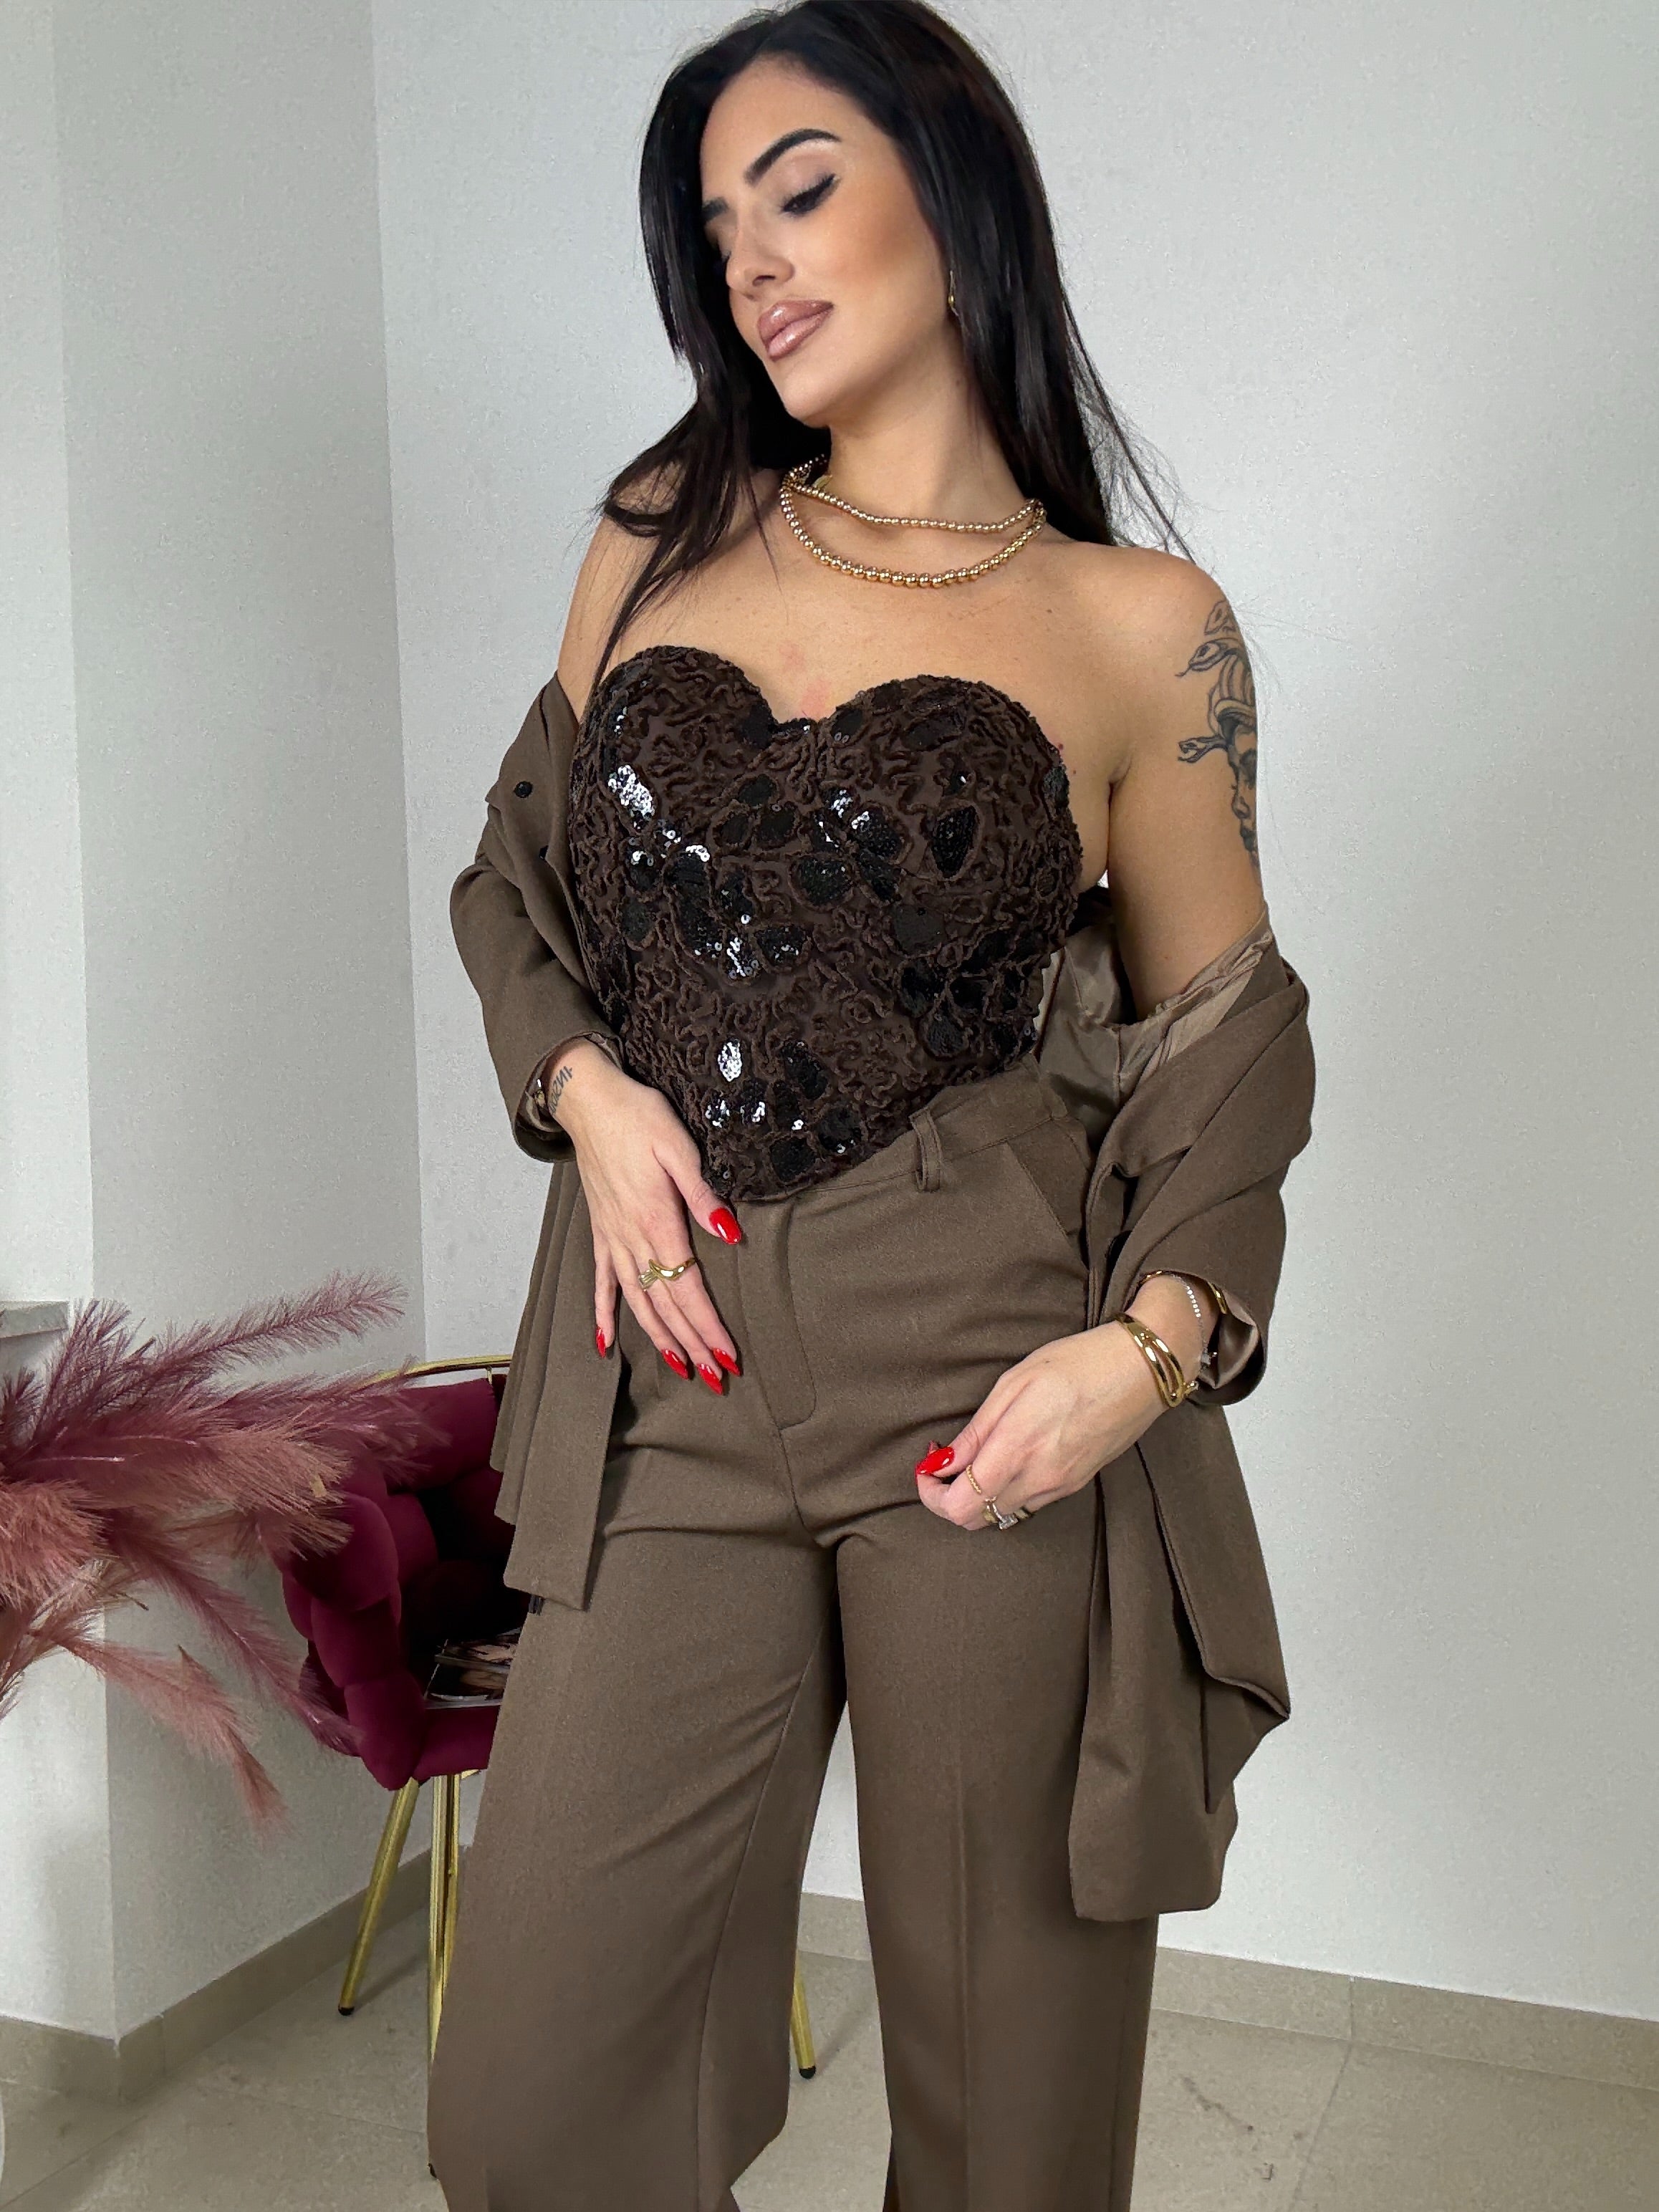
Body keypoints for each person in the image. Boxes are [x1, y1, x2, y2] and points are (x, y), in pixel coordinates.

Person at [427, 4, 1314, 2206]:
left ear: (954, 185)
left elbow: (1228, 1047)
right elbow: (515, 881)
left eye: (799, 189)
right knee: (538, 2108)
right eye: (714, 224)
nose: (751, 257)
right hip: (666, 1361)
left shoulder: (1144, 629)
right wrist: (583, 1091)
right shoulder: (659, 538)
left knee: (1011, 2118)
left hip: (983, 1358)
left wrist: (1145, 1353)